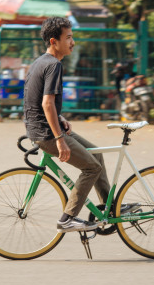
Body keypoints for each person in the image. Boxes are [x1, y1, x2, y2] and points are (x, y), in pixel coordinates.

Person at [23, 17, 125, 233]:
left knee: (96, 154)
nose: (73, 42)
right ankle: (67, 218)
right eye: (68, 37)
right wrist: (60, 140)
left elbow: (34, 102)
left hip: (41, 128)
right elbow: (46, 102)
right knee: (92, 167)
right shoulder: (53, 65)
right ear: (54, 41)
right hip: (48, 135)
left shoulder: (39, 62)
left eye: (72, 37)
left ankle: (110, 208)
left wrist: (59, 119)